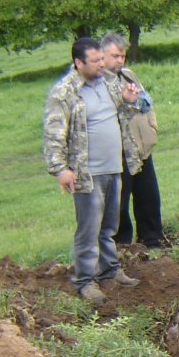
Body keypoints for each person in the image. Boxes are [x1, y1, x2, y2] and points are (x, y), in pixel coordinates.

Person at [43, 36, 142, 304]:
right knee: (89, 229)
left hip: (113, 166)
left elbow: (120, 114)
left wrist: (128, 100)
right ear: (79, 63)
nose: (101, 64)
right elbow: (54, 134)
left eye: (102, 59)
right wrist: (60, 169)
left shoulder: (108, 82)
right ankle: (85, 281)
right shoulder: (64, 93)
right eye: (95, 61)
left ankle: (110, 270)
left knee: (109, 225)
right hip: (87, 172)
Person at [100, 32, 168, 248]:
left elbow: (146, 103)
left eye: (122, 56)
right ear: (102, 55)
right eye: (115, 56)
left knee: (149, 196)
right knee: (119, 202)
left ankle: (152, 239)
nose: (120, 60)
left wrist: (152, 128)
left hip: (140, 148)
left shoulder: (128, 76)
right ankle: (123, 246)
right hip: (117, 153)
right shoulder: (98, 83)